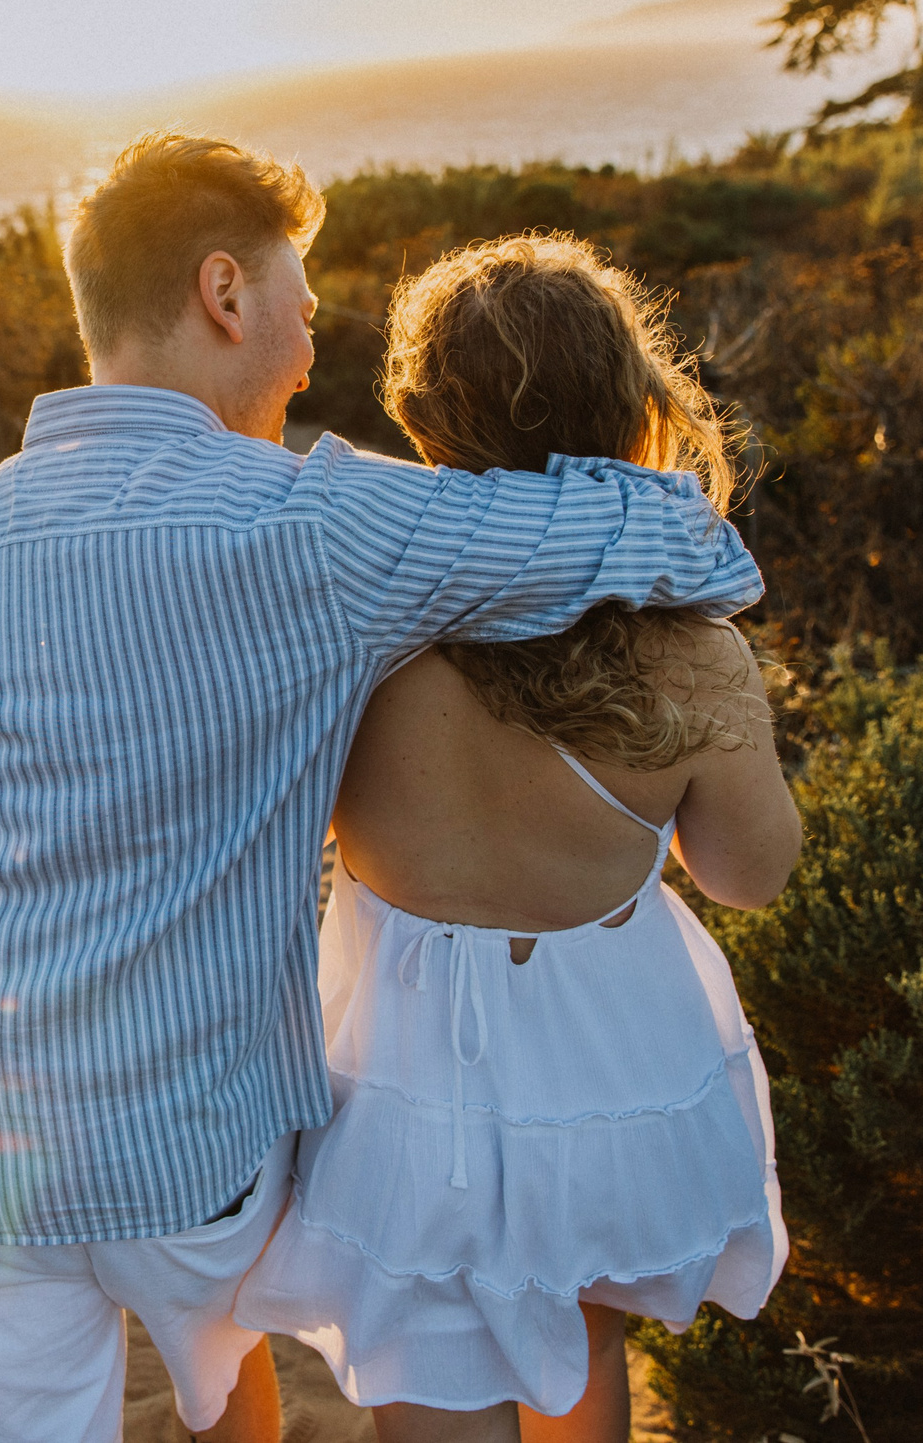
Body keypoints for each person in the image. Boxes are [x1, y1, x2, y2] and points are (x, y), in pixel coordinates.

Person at [0, 136, 764, 1443]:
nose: (309, 332)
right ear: (224, 291)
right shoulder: (313, 522)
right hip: (197, 1167)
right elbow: (682, 537)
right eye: (301, 294)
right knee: (239, 1321)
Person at [235, 233, 800, 1443]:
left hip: (404, 1086)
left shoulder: (356, 632)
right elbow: (751, 879)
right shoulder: (694, 653)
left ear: (423, 412)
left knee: (434, 1385)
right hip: (609, 1074)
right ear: (628, 398)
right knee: (583, 1352)